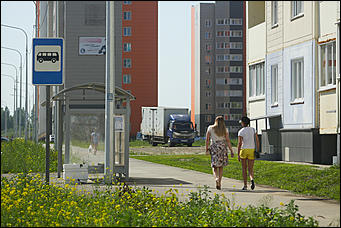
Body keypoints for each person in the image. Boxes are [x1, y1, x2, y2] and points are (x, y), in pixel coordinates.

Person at [205, 116, 234, 190]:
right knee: (221, 166)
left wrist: (207, 149)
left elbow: (207, 139)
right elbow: (228, 140)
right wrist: (231, 150)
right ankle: (220, 182)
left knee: (214, 166)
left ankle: (216, 178)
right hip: (222, 147)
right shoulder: (225, 130)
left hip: (214, 147)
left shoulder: (210, 128)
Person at [237, 116, 260, 191]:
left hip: (244, 150)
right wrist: (258, 150)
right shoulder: (253, 130)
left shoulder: (241, 131)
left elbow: (240, 143)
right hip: (251, 150)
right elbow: (257, 140)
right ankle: (252, 179)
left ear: (243, 123)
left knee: (244, 169)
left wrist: (238, 154)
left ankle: (245, 185)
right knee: (251, 169)